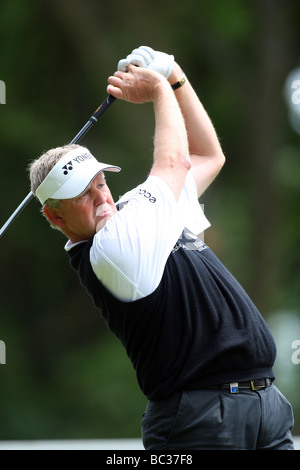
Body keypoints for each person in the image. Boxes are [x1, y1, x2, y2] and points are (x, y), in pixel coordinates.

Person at [29, 46, 294, 450]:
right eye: (81, 194)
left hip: (265, 407)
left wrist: (175, 77)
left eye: (100, 181)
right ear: (55, 218)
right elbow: (175, 164)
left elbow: (207, 154)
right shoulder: (109, 250)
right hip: (202, 418)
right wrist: (157, 87)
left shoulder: (138, 209)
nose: (101, 196)